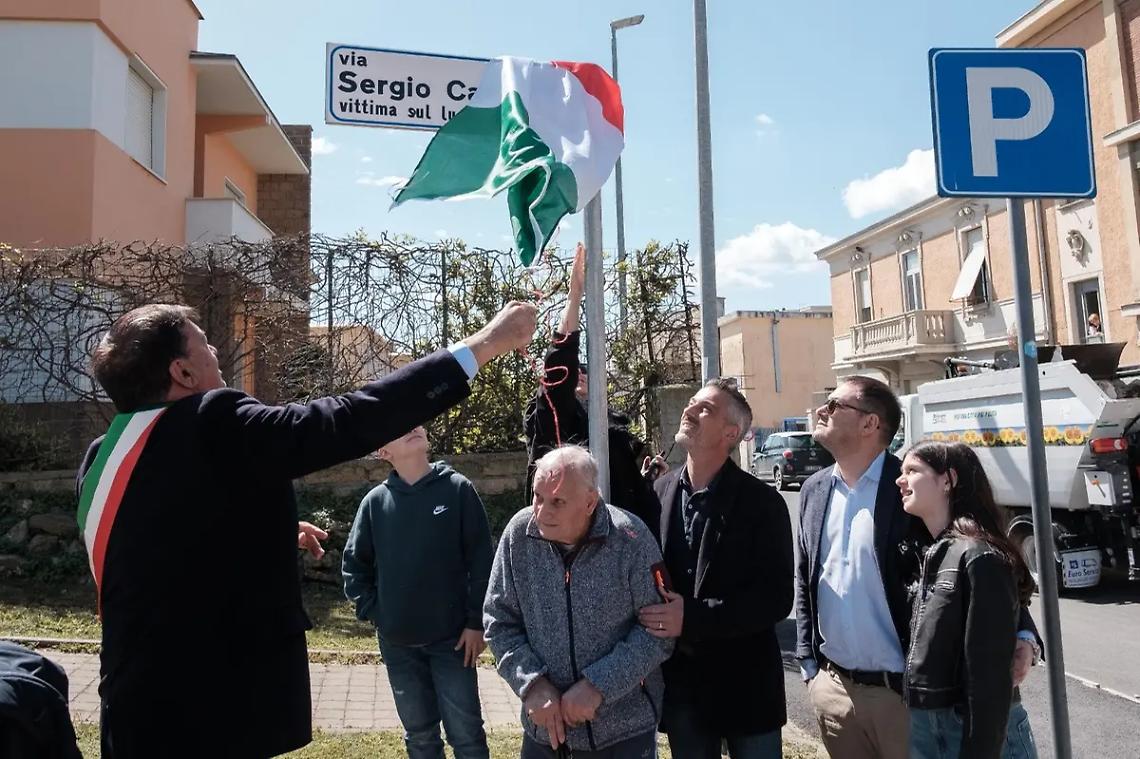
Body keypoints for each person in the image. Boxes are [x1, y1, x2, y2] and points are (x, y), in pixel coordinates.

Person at [79, 300, 536, 758]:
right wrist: (486, 343)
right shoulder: (212, 419)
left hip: (131, 710)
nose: (215, 349)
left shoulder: (104, 458)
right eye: (203, 343)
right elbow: (345, 418)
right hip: (207, 713)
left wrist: (266, 531)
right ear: (182, 372)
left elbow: (162, 548)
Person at [794, 375, 1041, 759]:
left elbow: (977, 556)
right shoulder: (814, 489)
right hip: (834, 691)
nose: (820, 411)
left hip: (903, 697)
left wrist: (1023, 631)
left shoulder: (911, 487)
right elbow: (806, 576)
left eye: (834, 405)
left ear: (869, 423)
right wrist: (809, 665)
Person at [483, 445, 673, 758]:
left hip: (623, 733)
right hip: (545, 732)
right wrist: (531, 684)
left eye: (557, 501)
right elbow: (499, 621)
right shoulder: (518, 535)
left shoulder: (631, 539)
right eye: (538, 497)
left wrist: (598, 685)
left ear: (589, 502)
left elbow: (659, 633)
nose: (542, 511)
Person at [638, 378, 794, 758]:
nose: (689, 409)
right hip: (683, 691)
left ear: (731, 433)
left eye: (705, 408)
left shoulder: (763, 503)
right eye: (692, 402)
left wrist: (692, 617)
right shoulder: (658, 493)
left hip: (748, 689)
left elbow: (775, 599)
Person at [342, 425, 493, 759]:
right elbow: (355, 567)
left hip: (453, 642)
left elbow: (483, 561)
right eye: (398, 427)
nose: (412, 426)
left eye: (416, 421)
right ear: (383, 452)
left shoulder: (457, 490)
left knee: (467, 735)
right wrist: (379, 614)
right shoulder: (375, 503)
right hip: (398, 646)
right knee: (420, 736)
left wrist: (476, 622)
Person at [897, 441, 1038, 758]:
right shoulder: (934, 550)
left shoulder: (980, 556)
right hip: (929, 725)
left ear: (948, 480)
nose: (900, 480)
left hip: (969, 729)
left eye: (912, 470)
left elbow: (988, 678)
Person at [524, 242, 661, 536]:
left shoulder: (611, 420)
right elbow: (557, 374)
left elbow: (622, 485)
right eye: (576, 372)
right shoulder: (553, 418)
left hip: (621, 538)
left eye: (586, 371)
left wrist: (646, 479)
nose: (580, 376)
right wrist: (574, 298)